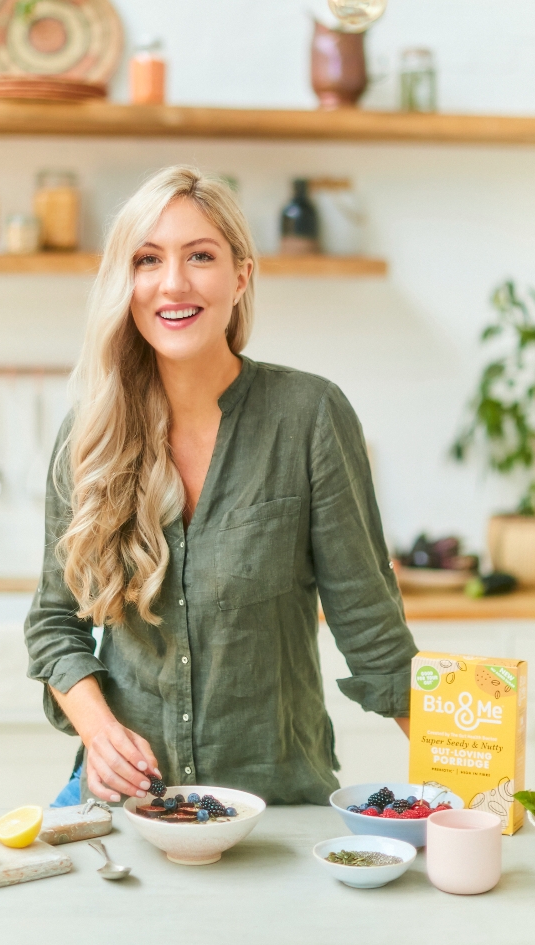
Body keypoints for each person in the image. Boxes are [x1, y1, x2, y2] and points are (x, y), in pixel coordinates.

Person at [24, 165, 417, 807]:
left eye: (199, 255)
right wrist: (101, 736)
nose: (172, 283)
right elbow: (53, 624)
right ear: (126, 283)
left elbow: (373, 632)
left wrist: (477, 795)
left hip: (273, 812)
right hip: (129, 807)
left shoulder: (308, 417)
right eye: (147, 260)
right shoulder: (90, 433)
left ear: (241, 275)